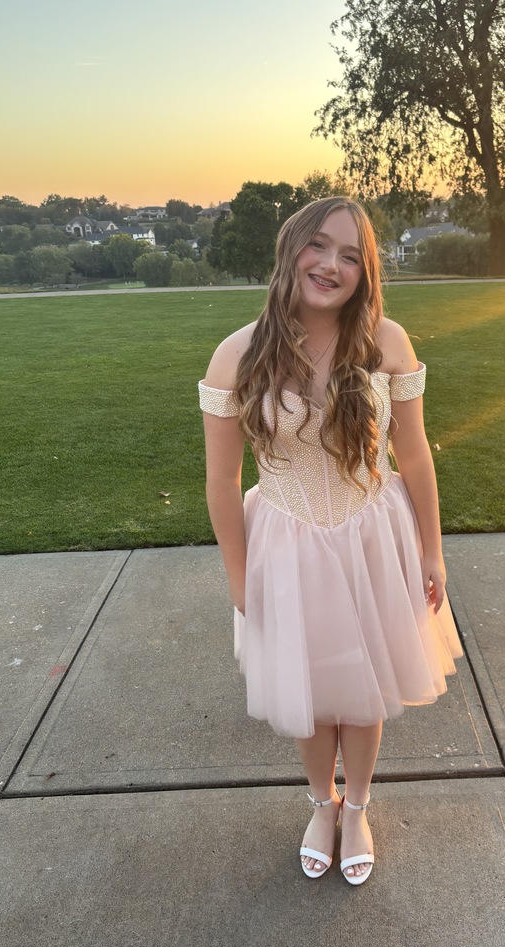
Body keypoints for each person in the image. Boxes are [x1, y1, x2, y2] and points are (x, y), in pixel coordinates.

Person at [199, 197, 462, 886]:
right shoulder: (237, 355)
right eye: (319, 245)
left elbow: (415, 455)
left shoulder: (386, 342)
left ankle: (360, 806)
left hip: (372, 535)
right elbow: (222, 481)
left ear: (365, 272)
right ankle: (323, 805)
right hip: (285, 545)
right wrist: (238, 576)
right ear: (291, 250)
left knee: (363, 685)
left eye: (351, 256)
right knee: (311, 691)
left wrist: (432, 550)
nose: (331, 265)